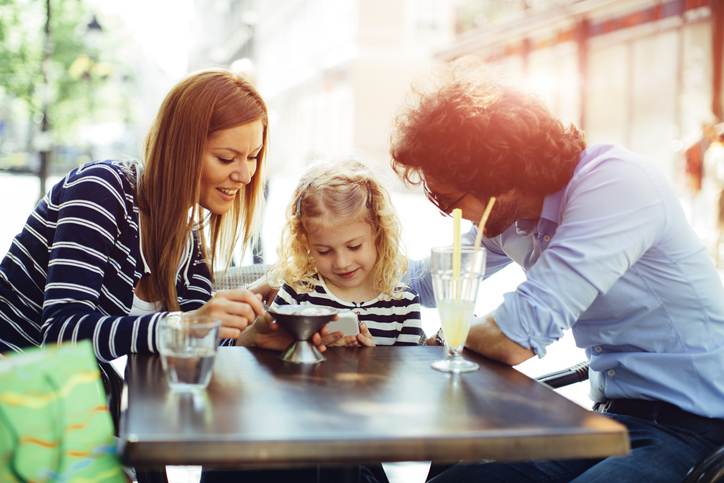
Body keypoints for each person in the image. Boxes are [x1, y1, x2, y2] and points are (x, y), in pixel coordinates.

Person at [390, 64, 724, 482]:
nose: (449, 214)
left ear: (498, 175)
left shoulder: (614, 185)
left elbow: (517, 336)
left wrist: (448, 336)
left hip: (699, 429)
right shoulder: (512, 220)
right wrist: (307, 276)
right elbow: (425, 281)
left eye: (448, 198)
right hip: (610, 420)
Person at [0, 69, 337, 411]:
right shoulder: (101, 190)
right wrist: (185, 324)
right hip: (15, 401)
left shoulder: (187, 241)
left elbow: (189, 348)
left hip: (67, 414)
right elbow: (62, 334)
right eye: (226, 157)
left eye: (252, 157)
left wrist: (251, 335)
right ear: (180, 148)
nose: (246, 174)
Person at [272, 160, 425, 347]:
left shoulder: (403, 304)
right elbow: (269, 360)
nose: (342, 263)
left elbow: (404, 374)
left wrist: (373, 359)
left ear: (379, 233)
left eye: (354, 247)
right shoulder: (297, 294)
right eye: (324, 251)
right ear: (306, 243)